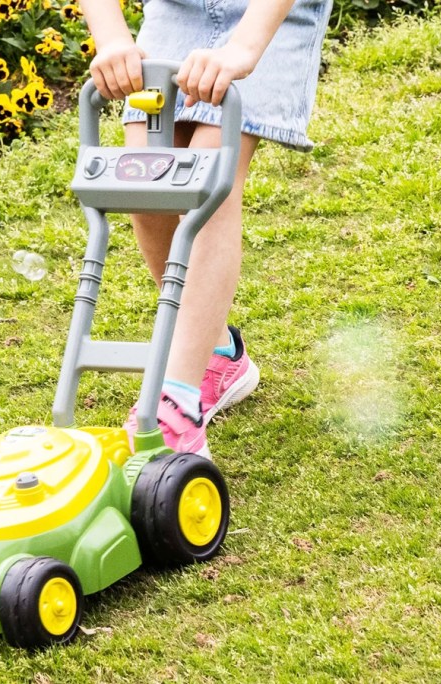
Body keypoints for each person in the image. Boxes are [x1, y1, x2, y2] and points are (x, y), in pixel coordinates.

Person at [79, 0, 334, 457]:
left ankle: (177, 396)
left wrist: (243, 48)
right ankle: (218, 355)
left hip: (266, 15)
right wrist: (113, 38)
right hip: (176, 10)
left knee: (210, 185)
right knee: (147, 186)